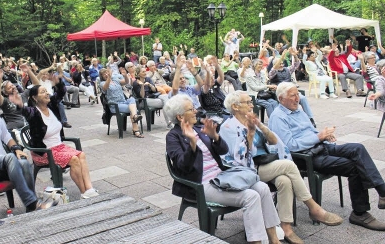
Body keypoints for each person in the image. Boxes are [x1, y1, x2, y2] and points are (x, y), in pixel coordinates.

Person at [220, 91, 343, 243]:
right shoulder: (228, 127)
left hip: (263, 164)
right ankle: (313, 207)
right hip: (245, 170)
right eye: (248, 102)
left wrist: (259, 126)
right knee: (289, 165)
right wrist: (250, 134)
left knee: (284, 181)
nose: (252, 105)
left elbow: (273, 141)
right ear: (235, 107)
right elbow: (241, 159)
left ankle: (286, 227)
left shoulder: (250, 120)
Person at [165, 94, 281, 244]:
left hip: (221, 177)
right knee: (251, 197)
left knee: (262, 188)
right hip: (201, 185)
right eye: (191, 109)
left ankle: (274, 239)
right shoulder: (173, 137)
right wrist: (192, 144)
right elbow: (182, 166)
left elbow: (223, 151)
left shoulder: (200, 128)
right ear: (180, 117)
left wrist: (215, 137)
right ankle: (257, 242)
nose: (196, 111)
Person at [269, 82, 385, 231]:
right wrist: (318, 137)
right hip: (306, 158)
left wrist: (324, 136)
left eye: (298, 94)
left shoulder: (298, 110)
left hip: (320, 147)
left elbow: (311, 131)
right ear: (281, 98)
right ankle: (360, 213)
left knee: (357, 148)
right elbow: (289, 145)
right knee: (355, 167)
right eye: (293, 95)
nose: (297, 98)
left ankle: (382, 192)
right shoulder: (278, 117)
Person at [22, 82, 99, 199]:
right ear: (34, 97)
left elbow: (62, 91)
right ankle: (84, 192)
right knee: (74, 159)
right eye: (43, 92)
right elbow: (21, 109)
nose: (47, 94)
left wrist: (57, 80)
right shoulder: (34, 113)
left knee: (81, 155)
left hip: (59, 147)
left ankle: (89, 189)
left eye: (46, 91)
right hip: (44, 152)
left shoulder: (52, 107)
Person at [99, 68, 144, 138]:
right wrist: (109, 77)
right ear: (101, 76)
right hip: (115, 105)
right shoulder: (102, 83)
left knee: (132, 99)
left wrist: (125, 75)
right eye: (104, 74)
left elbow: (126, 82)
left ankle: (135, 117)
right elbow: (105, 87)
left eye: (106, 72)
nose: (106, 74)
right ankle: (136, 129)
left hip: (123, 102)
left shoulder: (115, 80)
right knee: (133, 109)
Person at [0, 64, 40, 131]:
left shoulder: (23, 95)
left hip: (29, 127)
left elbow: (36, 85)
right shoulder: (5, 101)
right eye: (9, 88)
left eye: (12, 85)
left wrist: (28, 71)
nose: (13, 87)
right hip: (15, 130)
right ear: (5, 92)